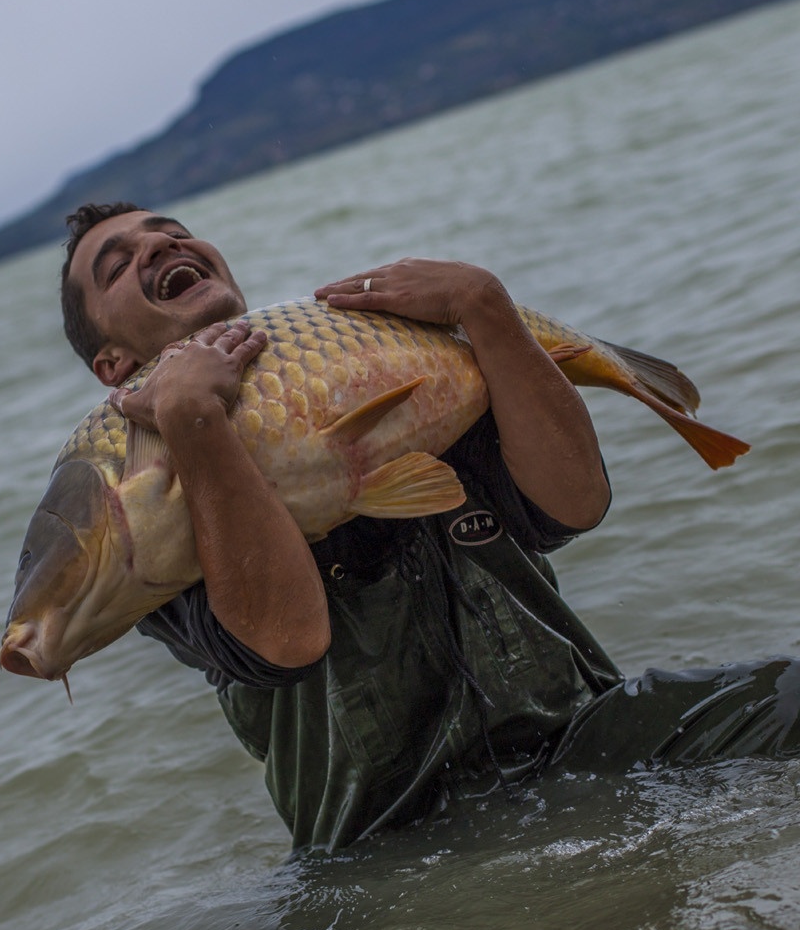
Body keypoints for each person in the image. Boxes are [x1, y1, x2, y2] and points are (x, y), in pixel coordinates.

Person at [60, 202, 800, 850]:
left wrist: (484, 306)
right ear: (113, 364)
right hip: (382, 842)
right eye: (118, 264)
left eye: (174, 233)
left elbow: (574, 502)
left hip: (585, 739)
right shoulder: (134, 513)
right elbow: (285, 640)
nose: (160, 248)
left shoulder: (370, 358)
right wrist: (193, 420)